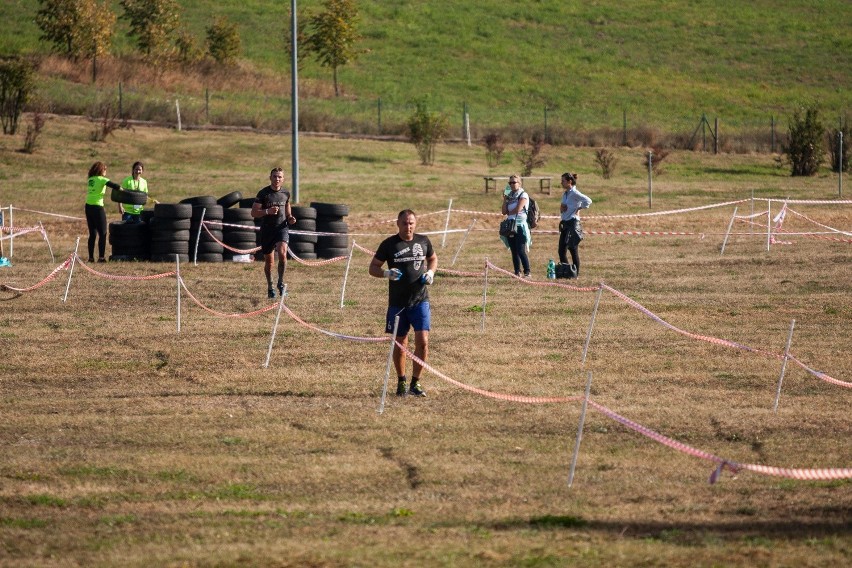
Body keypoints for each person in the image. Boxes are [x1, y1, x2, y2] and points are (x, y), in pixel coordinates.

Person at [369, 209, 438, 398]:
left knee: (423, 342)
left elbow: (432, 259)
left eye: (411, 223)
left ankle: (416, 383)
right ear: (397, 224)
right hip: (398, 303)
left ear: (415, 224)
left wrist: (430, 273)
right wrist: (386, 273)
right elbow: (372, 267)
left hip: (420, 300)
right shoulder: (389, 245)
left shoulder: (423, 241)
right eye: (404, 223)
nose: (408, 226)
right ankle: (401, 381)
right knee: (400, 344)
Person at [251, 167, 296, 298]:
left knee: (282, 253)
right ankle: (270, 287)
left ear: (283, 179)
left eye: (279, 177)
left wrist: (290, 217)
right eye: (275, 176)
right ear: (270, 177)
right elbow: (253, 213)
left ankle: (281, 284)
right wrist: (267, 211)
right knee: (269, 262)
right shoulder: (263, 194)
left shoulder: (286, 193)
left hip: (282, 228)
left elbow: (287, 206)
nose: (277, 179)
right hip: (267, 230)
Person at [85, 161, 121, 263]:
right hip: (97, 207)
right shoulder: (102, 179)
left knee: (92, 234)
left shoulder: (90, 179)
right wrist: (125, 191)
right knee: (103, 233)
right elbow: (115, 186)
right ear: (101, 170)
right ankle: (101, 257)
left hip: (88, 207)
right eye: (105, 169)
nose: (106, 171)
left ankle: (91, 258)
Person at [558, 172, 593, 278]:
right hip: (565, 223)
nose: (561, 182)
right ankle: (567, 272)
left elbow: (588, 201)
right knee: (561, 251)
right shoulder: (565, 193)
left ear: (569, 182)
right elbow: (566, 206)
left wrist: (579, 208)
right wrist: (562, 208)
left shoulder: (575, 193)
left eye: (563, 181)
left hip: (573, 223)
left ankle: (575, 274)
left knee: (573, 249)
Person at [500, 174, 532, 277]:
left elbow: (518, 209)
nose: (512, 185)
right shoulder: (510, 196)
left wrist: (510, 212)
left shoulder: (523, 195)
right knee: (514, 250)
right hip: (510, 226)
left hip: (520, 225)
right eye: (510, 183)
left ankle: (527, 271)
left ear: (519, 183)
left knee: (521, 250)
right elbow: (504, 212)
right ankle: (517, 271)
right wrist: (505, 199)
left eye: (514, 182)